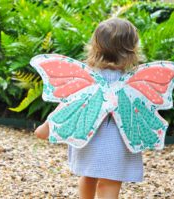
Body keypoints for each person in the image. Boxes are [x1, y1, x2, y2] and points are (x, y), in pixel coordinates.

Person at [34, 17, 144, 199]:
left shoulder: (88, 78)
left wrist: (47, 127)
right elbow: (141, 110)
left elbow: (69, 105)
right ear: (132, 49)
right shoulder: (134, 82)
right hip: (118, 141)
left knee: (89, 175)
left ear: (95, 47)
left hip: (88, 137)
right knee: (110, 181)